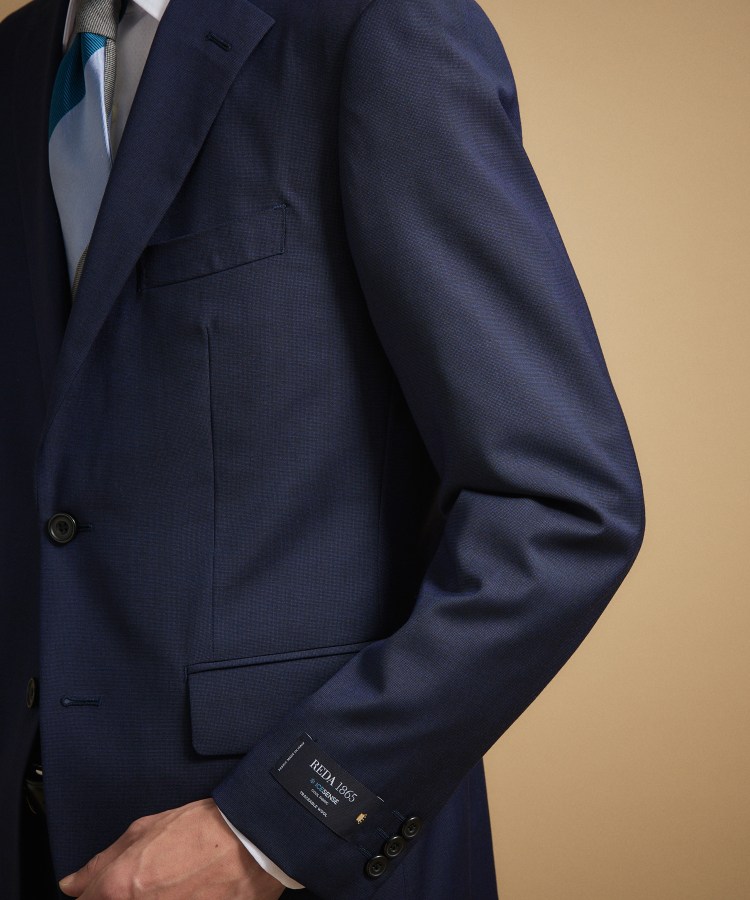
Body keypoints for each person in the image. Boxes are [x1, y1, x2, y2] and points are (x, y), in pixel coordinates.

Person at [0, 0, 645, 897]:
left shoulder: (384, 28)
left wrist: (268, 829)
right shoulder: (18, 56)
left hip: (281, 858)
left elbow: (562, 509)